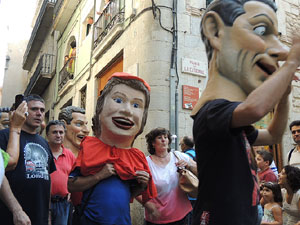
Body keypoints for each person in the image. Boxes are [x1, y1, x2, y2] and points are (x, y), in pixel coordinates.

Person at [190, 0, 300, 224]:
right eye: (260, 30)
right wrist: (291, 63)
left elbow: (274, 135)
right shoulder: (212, 111)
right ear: (215, 31)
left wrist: (285, 95)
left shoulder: (233, 124)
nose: (280, 50)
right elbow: (255, 108)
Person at [68, 72, 157, 225]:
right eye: (118, 100)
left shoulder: (137, 157)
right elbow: (71, 185)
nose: (127, 110)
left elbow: (130, 194)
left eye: (136, 105)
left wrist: (141, 185)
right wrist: (99, 176)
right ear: (100, 107)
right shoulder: (90, 148)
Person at [0, 94, 56, 225]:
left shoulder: (44, 142)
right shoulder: (5, 136)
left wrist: (47, 214)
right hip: (12, 216)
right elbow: (1, 177)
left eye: (42, 110)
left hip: (39, 216)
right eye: (34, 109)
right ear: (23, 111)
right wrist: (16, 210)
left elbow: (46, 179)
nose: (39, 113)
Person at [138, 127, 197, 225]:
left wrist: (188, 165)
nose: (163, 139)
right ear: (153, 143)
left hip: (181, 215)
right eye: (159, 137)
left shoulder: (178, 156)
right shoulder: (146, 163)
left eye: (165, 137)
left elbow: (199, 171)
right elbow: (134, 187)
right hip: (156, 217)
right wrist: (148, 204)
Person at [46, 120, 76, 225]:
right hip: (43, 202)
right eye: (54, 132)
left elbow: (75, 177)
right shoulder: (42, 152)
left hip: (63, 203)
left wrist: (72, 192)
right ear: (47, 135)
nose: (58, 135)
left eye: (61, 132)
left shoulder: (70, 155)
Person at [179, 136, 196, 225]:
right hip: (198, 192)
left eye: (180, 144)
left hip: (189, 193)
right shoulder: (198, 153)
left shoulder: (185, 157)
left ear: (184, 146)